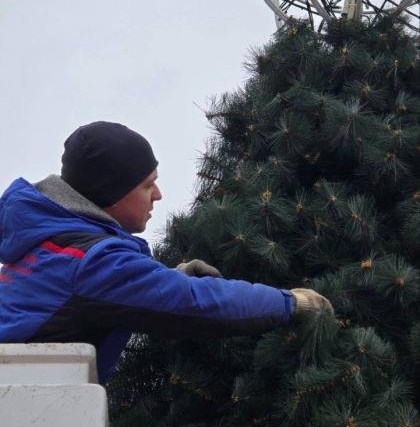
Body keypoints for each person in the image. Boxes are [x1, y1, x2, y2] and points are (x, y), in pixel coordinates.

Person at [0, 121, 333, 384]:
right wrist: (290, 302)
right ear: (111, 194)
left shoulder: (52, 246)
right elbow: (194, 303)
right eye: (146, 185)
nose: (157, 195)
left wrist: (165, 278)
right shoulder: (90, 263)